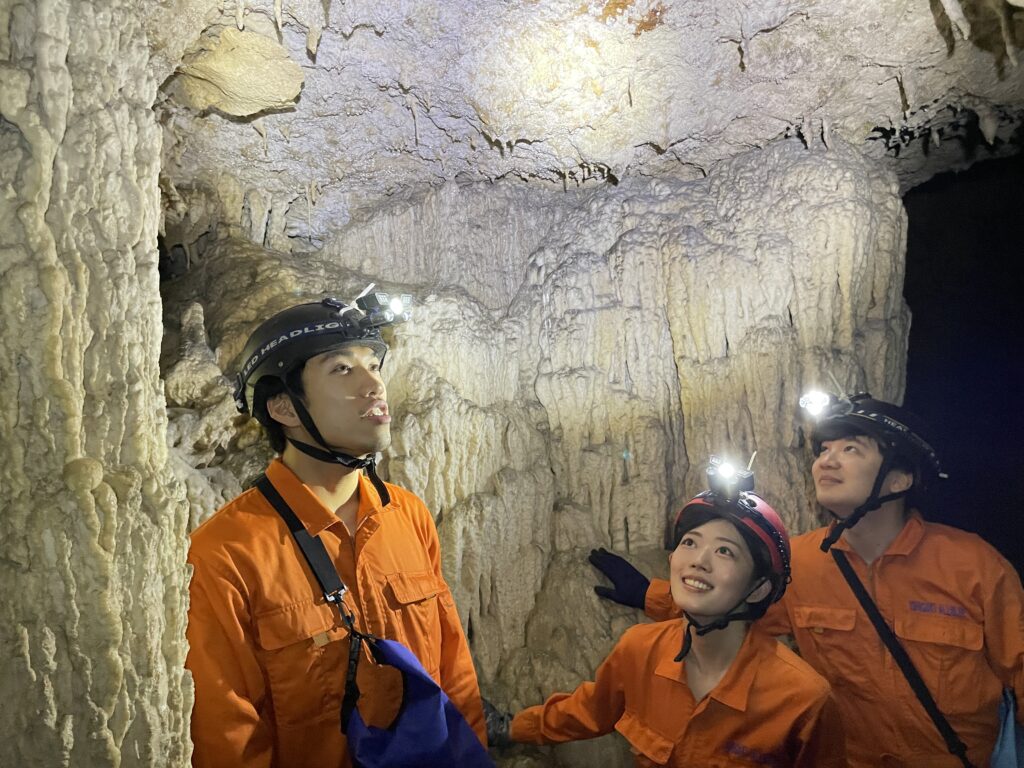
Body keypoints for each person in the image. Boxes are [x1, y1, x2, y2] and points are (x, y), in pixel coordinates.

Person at [592, 392, 1024, 767]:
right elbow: (732, 606)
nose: (826, 461)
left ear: (900, 477)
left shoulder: (973, 567)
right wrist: (647, 594)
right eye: (823, 451)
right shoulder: (801, 562)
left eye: (851, 449)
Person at [185, 294, 486, 768]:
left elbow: (454, 675)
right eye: (342, 370)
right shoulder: (225, 554)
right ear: (283, 406)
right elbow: (229, 737)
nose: (374, 386)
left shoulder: (409, 516)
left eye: (373, 365)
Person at [490, 464, 846, 767]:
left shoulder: (801, 699)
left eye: (725, 551)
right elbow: (586, 712)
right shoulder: (640, 650)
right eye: (690, 542)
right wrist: (510, 729)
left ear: (759, 588)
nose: (698, 560)